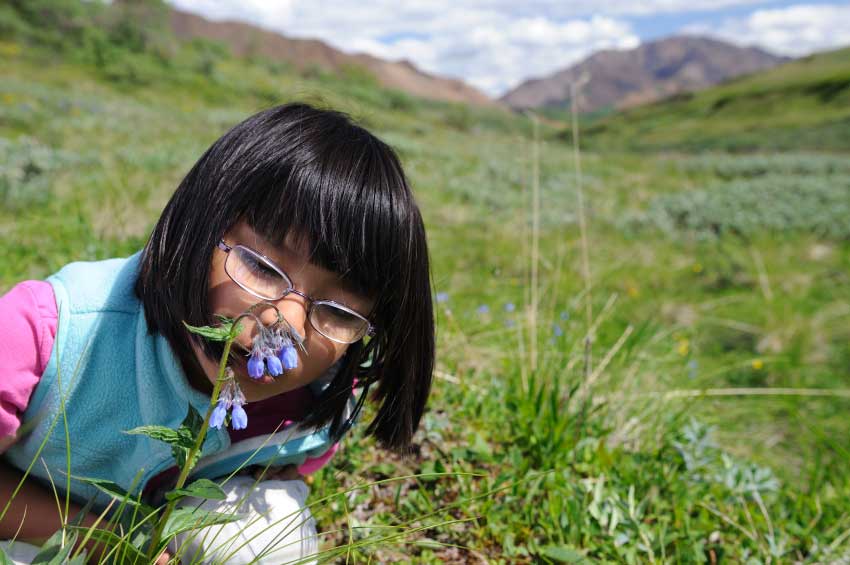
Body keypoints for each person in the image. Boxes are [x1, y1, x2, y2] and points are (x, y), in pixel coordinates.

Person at [0, 102, 435, 563]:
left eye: (338, 312)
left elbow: (294, 459)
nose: (285, 323)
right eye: (259, 266)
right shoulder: (51, 330)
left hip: (160, 518)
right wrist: (110, 543)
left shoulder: (312, 401)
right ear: (199, 223)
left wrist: (276, 475)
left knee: (268, 542)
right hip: (30, 522)